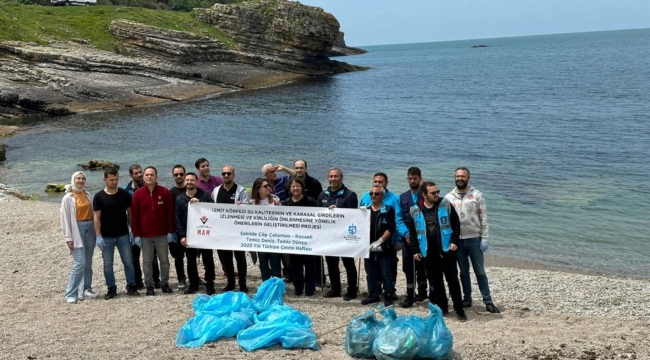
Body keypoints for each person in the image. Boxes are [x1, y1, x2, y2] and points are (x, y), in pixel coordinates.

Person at [444, 167, 500, 314]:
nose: (460, 178)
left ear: (468, 178)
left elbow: (484, 218)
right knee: (463, 272)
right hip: (457, 241)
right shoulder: (448, 197)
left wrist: (485, 238)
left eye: (462, 176)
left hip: (475, 239)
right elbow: (446, 221)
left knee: (480, 272)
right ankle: (467, 298)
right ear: (454, 177)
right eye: (457, 176)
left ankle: (487, 301)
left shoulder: (477, 195)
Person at [409, 181, 467, 322]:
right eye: (433, 193)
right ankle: (444, 308)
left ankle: (459, 310)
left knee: (453, 281)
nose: (437, 195)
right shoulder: (415, 210)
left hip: (446, 251)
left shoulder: (445, 204)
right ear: (424, 194)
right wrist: (415, 250)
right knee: (436, 283)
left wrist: (454, 242)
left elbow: (456, 223)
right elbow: (413, 232)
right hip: (428, 253)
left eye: (437, 192)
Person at [359, 172, 406, 300]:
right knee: (371, 271)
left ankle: (390, 293)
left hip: (388, 243)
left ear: (386, 183)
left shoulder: (394, 200)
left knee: (388, 270)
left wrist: (398, 239)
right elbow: (357, 220)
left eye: (380, 182)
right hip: (368, 245)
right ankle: (374, 293)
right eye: (375, 182)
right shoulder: (365, 197)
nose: (377, 184)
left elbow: (397, 221)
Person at [93, 168, 138, 300]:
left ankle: (131, 286)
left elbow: (130, 213)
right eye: (111, 180)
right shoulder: (99, 196)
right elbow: (96, 217)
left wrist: (133, 231)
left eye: (116, 179)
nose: (114, 182)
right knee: (108, 264)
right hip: (106, 236)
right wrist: (98, 235)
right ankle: (111, 288)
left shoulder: (124, 194)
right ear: (105, 179)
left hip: (123, 234)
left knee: (128, 262)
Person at [131, 166, 175, 296]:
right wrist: (136, 234)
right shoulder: (137, 194)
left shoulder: (164, 192)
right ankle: (149, 285)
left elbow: (170, 213)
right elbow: (135, 216)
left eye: (152, 175)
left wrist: (170, 231)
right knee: (147, 261)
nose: (149, 177)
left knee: (164, 260)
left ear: (156, 177)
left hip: (162, 234)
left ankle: (164, 283)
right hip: (145, 235)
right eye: (147, 175)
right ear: (143, 177)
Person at [317, 167, 359, 301]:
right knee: (331, 263)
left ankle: (352, 290)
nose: (333, 179)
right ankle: (335, 289)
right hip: (329, 236)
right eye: (331, 176)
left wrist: (339, 211)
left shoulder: (350, 195)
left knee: (348, 264)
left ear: (341, 178)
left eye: (336, 176)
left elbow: (353, 216)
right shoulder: (323, 195)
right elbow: (317, 215)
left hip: (345, 236)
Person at [175, 172, 216, 295]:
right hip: (189, 234)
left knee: (208, 259)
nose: (189, 182)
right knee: (190, 260)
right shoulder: (179, 199)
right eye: (187, 180)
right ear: (184, 182)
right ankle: (193, 284)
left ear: (196, 181)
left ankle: (210, 283)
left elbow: (214, 211)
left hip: (204, 233)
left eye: (192, 180)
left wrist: (201, 204)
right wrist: (182, 236)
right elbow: (177, 218)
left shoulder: (205, 196)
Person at [212, 165, 250, 293]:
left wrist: (242, 206)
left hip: (238, 231)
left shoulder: (241, 191)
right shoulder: (216, 191)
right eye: (224, 174)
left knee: (240, 257)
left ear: (233, 175)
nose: (226, 176)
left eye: (229, 173)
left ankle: (243, 284)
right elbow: (211, 208)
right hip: (222, 231)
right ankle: (231, 283)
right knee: (226, 258)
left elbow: (248, 210)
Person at [60, 171, 97, 303]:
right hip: (77, 229)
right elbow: (64, 220)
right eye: (78, 178)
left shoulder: (88, 195)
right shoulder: (68, 198)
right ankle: (71, 293)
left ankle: (86, 289)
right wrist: (68, 238)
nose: (81, 181)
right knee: (79, 262)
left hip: (90, 227)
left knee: (88, 262)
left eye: (83, 179)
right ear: (73, 180)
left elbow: (93, 214)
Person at [124, 164, 159, 289]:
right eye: (136, 173)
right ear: (131, 175)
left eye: (140, 172)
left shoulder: (151, 187)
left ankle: (155, 280)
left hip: (148, 229)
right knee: (134, 257)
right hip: (133, 229)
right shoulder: (126, 190)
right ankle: (138, 281)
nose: (139, 175)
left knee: (152, 258)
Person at [360, 185, 396, 307]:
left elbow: (390, 228)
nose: (373, 196)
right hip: (368, 249)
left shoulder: (389, 210)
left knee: (386, 273)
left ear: (382, 196)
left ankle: (388, 295)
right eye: (371, 194)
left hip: (384, 248)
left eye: (376, 194)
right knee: (370, 273)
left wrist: (380, 241)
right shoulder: (365, 211)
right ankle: (373, 294)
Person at [399, 167, 429, 308]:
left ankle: (423, 293)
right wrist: (406, 234)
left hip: (424, 239)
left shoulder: (425, 195)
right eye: (410, 178)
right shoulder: (403, 197)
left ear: (420, 179)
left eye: (415, 178)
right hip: (408, 240)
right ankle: (410, 295)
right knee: (408, 268)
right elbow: (399, 219)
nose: (412, 181)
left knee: (423, 267)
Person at [283, 178, 317, 296]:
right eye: (293, 186)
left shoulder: (311, 201)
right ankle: (298, 288)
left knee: (309, 264)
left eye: (298, 186)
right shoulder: (286, 203)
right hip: (293, 239)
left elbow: (320, 217)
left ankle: (310, 289)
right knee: (295, 264)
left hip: (309, 238)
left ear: (302, 187)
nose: (295, 188)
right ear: (289, 189)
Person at [250, 177, 282, 281]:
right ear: (258, 189)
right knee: (263, 263)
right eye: (265, 186)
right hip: (260, 238)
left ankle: (276, 286)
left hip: (274, 237)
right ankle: (266, 285)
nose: (268, 188)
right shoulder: (252, 203)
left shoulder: (274, 199)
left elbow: (284, 217)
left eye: (269, 185)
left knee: (276, 263)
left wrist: (278, 207)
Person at [169, 164, 187, 290]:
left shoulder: (191, 189)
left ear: (185, 175)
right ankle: (181, 278)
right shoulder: (169, 193)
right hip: (175, 230)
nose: (179, 176)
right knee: (178, 256)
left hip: (192, 229)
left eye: (181, 174)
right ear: (173, 176)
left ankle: (195, 277)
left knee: (193, 256)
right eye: (176, 174)